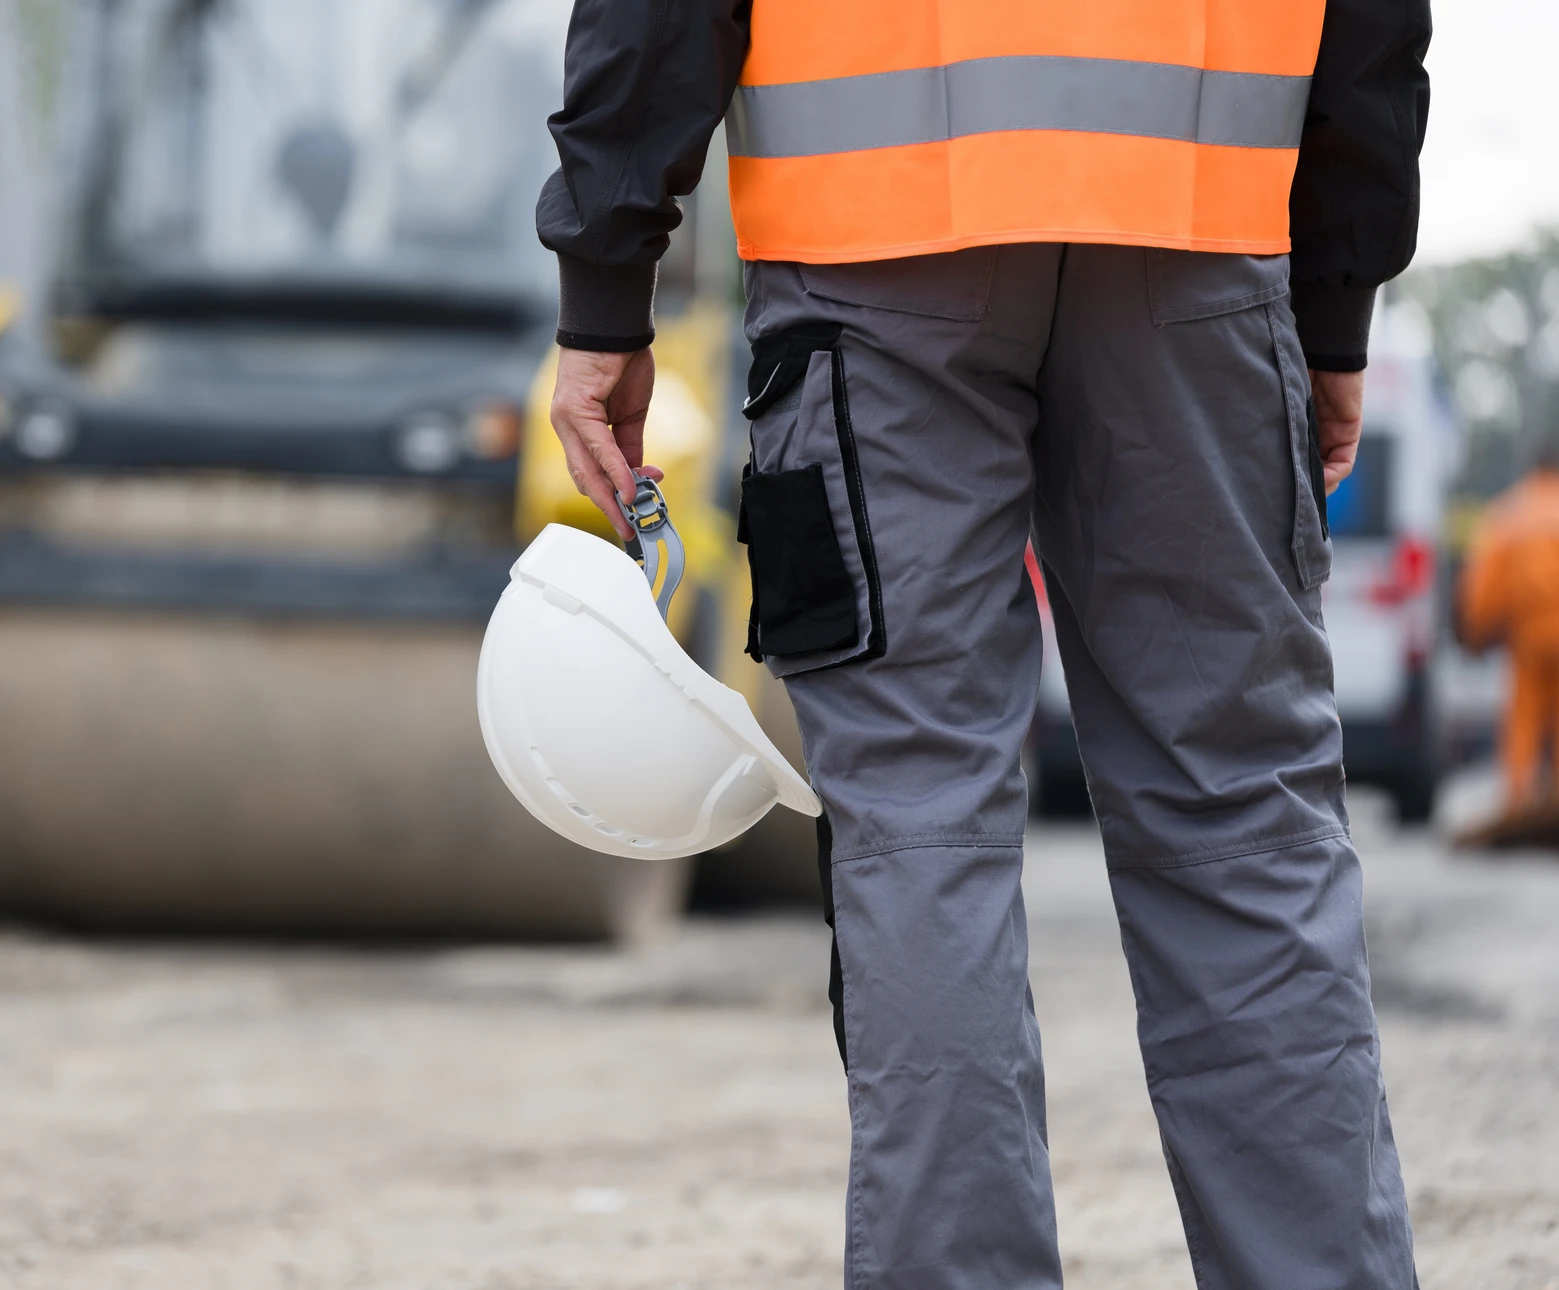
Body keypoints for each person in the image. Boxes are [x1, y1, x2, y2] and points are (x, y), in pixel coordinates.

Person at [537, 2, 1430, 1286]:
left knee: (918, 822)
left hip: (872, 255)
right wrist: (1337, 290)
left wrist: (607, 284)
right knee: (1243, 819)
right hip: (1198, 231)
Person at [1461, 439, 1559, 808]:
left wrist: (1476, 631)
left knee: (1524, 718)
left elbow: (1484, 582)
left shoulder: (1510, 513)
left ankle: (1519, 801)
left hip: (1529, 639)